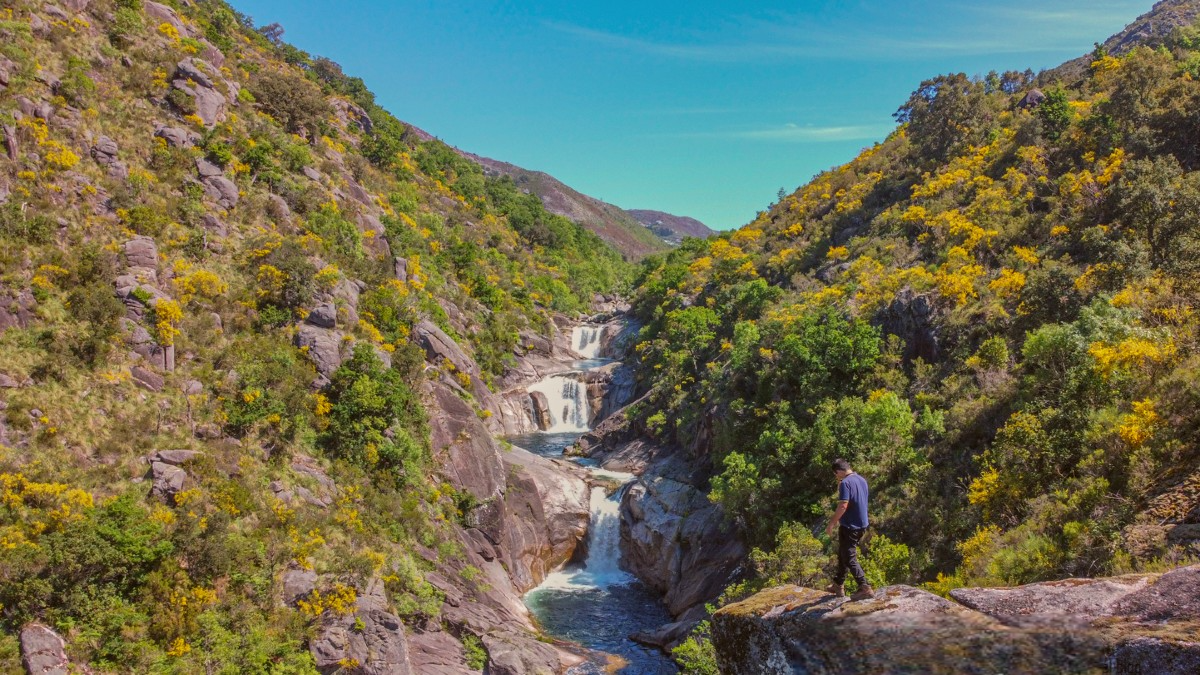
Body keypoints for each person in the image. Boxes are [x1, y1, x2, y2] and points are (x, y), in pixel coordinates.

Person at [825, 458, 874, 600]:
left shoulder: (845, 483)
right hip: (861, 524)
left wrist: (831, 524)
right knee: (843, 553)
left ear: (839, 471)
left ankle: (865, 587)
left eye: (836, 474)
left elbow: (843, 506)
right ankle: (838, 584)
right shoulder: (861, 479)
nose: (836, 477)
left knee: (849, 557)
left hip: (850, 526)